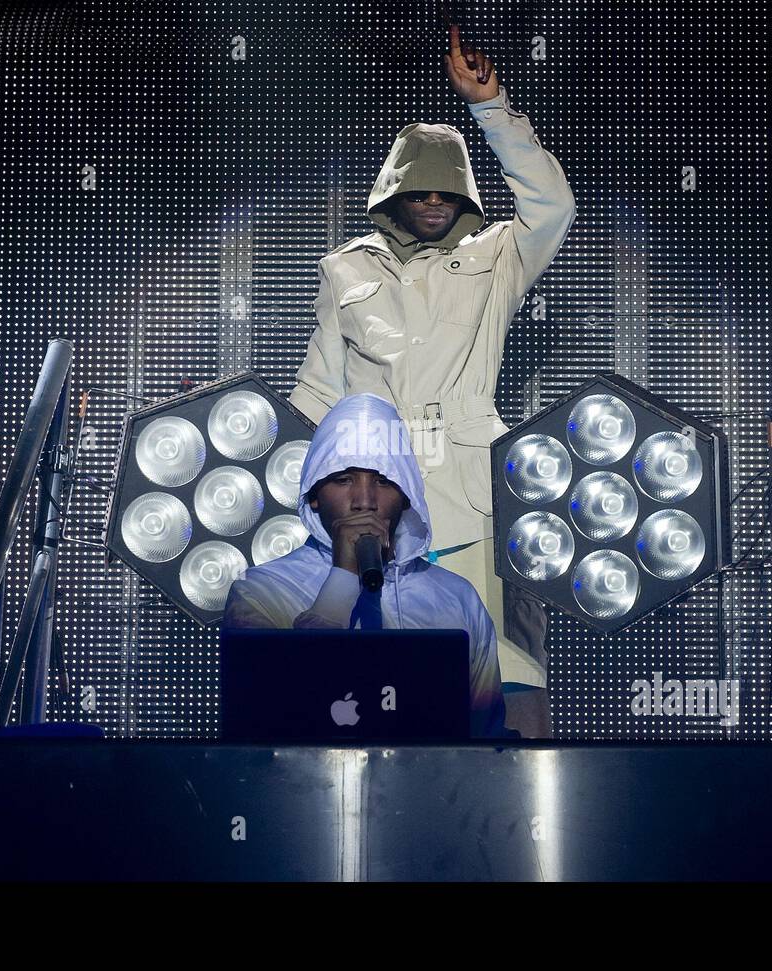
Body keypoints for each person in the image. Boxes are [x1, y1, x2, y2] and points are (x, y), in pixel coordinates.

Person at [288, 25, 575, 737]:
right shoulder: (346, 269)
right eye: (421, 191)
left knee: (509, 673)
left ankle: (527, 827)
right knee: (377, 682)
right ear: (395, 195)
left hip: (477, 494)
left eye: (449, 192)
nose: (436, 202)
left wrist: (492, 107)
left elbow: (553, 208)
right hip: (374, 498)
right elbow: (319, 391)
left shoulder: (498, 256)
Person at [222, 392, 509, 738]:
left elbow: (487, 741)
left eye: (383, 481)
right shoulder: (261, 591)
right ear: (314, 493)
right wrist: (343, 577)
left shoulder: (457, 598)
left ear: (406, 496)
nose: (364, 502)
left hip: (427, 790)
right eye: (343, 480)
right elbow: (267, 717)